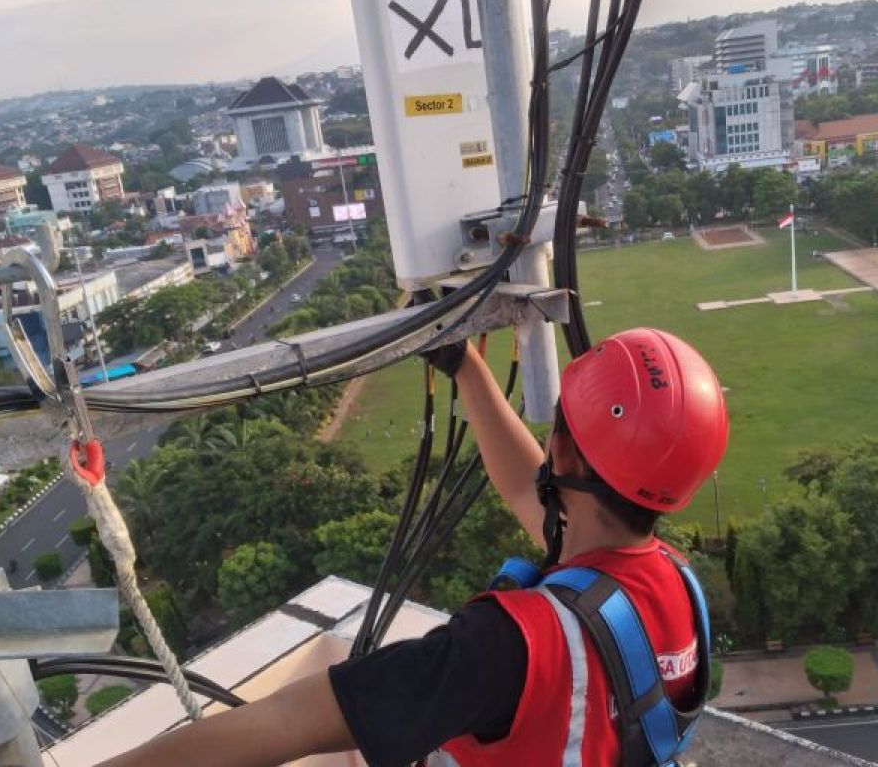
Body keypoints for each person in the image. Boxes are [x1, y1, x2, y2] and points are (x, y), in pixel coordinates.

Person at [99, 328, 729, 767]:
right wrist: (466, 367)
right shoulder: (672, 585)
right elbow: (531, 489)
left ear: (562, 454)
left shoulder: (503, 648)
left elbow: (279, 726)